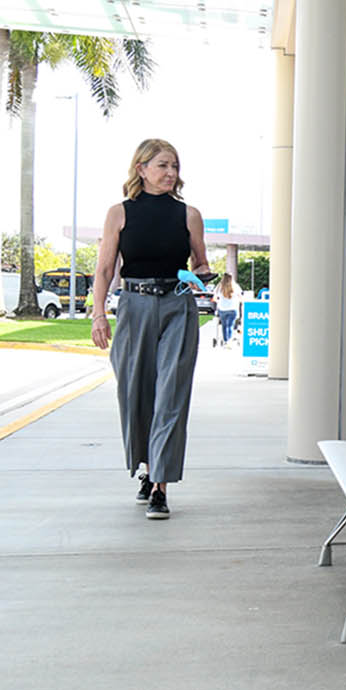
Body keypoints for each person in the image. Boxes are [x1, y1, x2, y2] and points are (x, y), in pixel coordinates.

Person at [90, 139, 212, 520]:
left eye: (174, 166)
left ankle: (161, 485)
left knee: (171, 394)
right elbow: (106, 270)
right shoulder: (118, 214)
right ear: (141, 169)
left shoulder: (189, 214)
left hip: (177, 307)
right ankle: (145, 468)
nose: (171, 173)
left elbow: (202, 263)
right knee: (136, 393)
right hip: (134, 305)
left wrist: (203, 278)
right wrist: (98, 314)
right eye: (162, 165)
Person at [212, 273, 242, 347]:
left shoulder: (219, 287)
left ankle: (225, 341)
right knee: (230, 325)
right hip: (233, 309)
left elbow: (215, 298)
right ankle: (229, 341)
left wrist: (219, 301)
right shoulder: (235, 286)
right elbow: (241, 296)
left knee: (224, 326)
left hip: (222, 309)